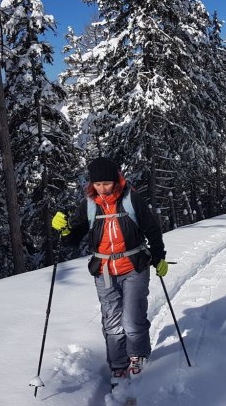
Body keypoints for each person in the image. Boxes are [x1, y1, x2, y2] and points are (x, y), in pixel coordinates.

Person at [51, 157, 168, 387]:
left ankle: (138, 354)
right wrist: (64, 230)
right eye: (97, 184)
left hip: (134, 266)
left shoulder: (131, 199)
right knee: (112, 322)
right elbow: (73, 240)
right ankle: (117, 364)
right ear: (91, 184)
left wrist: (159, 255)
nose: (102, 189)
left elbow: (152, 228)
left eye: (107, 183)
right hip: (103, 270)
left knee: (132, 319)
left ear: (116, 180)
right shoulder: (89, 205)